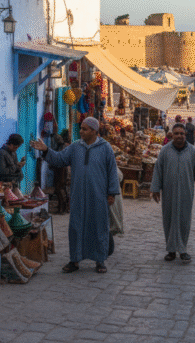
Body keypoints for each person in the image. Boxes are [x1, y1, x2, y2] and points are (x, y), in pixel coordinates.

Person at [30, 117, 119, 274]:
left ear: (94, 131)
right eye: (81, 128)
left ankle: (100, 260)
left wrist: (111, 193)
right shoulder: (75, 147)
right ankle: (75, 260)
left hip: (98, 195)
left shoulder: (105, 148)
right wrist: (45, 150)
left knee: (99, 226)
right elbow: (60, 159)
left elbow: (112, 172)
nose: (81, 131)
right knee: (76, 226)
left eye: (85, 129)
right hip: (78, 195)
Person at [151, 123, 195, 263]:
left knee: (184, 221)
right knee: (168, 220)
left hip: (186, 192)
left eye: (182, 134)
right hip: (168, 193)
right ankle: (171, 251)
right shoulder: (165, 151)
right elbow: (158, 170)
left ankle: (183, 250)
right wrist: (155, 188)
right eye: (176, 134)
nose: (179, 136)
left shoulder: (192, 152)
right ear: (172, 135)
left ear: (185, 135)